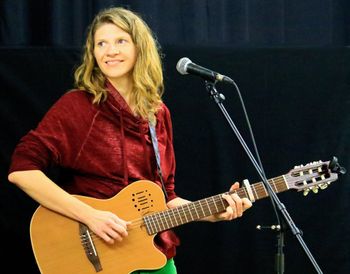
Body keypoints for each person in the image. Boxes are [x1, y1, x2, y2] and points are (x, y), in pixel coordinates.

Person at [7, 6, 252, 274]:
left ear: (140, 49)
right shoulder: (78, 106)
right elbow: (23, 171)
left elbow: (166, 197)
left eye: (120, 41)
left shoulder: (157, 113)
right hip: (94, 257)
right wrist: (91, 216)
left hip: (152, 254)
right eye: (101, 43)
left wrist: (212, 212)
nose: (109, 51)